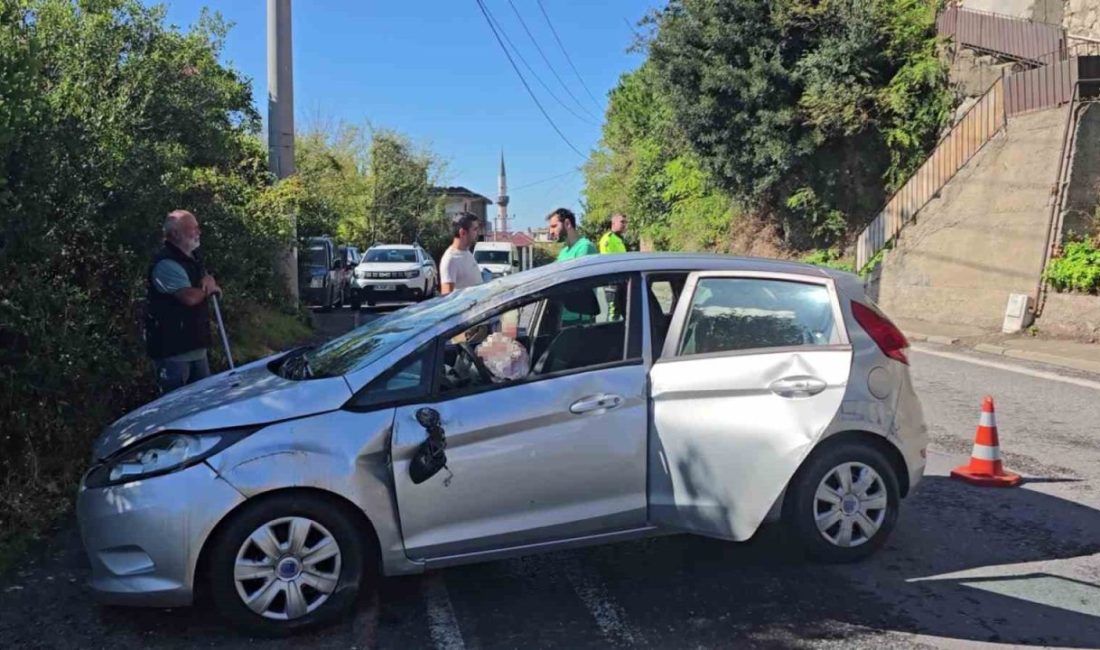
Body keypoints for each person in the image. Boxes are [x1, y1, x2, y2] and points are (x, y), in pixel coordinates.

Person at [144, 209, 221, 393]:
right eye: (192, 228)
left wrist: (209, 282)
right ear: (176, 233)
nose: (198, 232)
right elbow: (189, 297)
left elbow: (204, 281)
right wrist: (209, 289)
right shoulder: (166, 264)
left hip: (196, 347)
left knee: (203, 404)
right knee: (176, 408)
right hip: (173, 353)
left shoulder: (193, 259)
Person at [440, 212, 484, 295]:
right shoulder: (450, 259)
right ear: (463, 233)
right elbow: (446, 300)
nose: (477, 233)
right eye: (475, 229)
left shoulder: (467, 252)